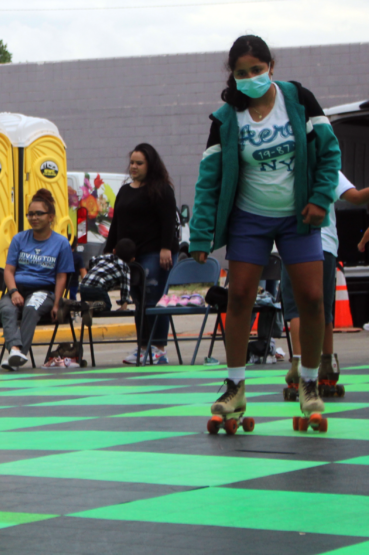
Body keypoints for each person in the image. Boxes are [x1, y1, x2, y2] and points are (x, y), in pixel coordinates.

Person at [190, 35, 340, 430]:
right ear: (233, 76)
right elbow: (209, 180)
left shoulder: (299, 99)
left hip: (298, 217)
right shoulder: (225, 118)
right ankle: (235, 386)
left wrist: (321, 199)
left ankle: (309, 382)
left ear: (272, 67)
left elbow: (329, 153)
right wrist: (201, 235)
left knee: (310, 298)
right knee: (238, 297)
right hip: (249, 219)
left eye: (257, 70)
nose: (251, 77)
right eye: (242, 73)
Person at [280, 172, 369, 395]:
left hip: (291, 246)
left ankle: (298, 369)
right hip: (324, 247)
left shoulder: (285, 168)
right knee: (323, 311)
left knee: (296, 311)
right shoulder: (327, 167)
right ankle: (328, 370)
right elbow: (356, 197)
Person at [105, 143, 179, 365]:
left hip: (155, 254)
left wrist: (166, 248)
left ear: (150, 164)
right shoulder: (125, 190)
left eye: (139, 163)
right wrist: (109, 251)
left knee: (154, 301)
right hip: (132, 258)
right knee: (139, 301)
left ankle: (158, 348)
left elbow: (168, 221)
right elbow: (116, 222)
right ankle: (143, 347)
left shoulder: (161, 189)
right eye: (132, 162)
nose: (134, 166)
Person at [0, 189, 75, 370]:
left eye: (39, 213)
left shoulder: (61, 243)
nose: (33, 217)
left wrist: (56, 303)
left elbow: (62, 276)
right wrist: (13, 292)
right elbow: (8, 271)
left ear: (51, 217)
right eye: (30, 214)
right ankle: (16, 351)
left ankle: (19, 353)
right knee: (6, 308)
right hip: (18, 289)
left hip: (44, 291)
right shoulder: (19, 239)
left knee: (31, 306)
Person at [80, 238, 136, 312]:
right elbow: (125, 288)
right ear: (132, 259)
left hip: (83, 286)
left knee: (83, 304)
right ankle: (90, 307)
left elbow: (92, 260)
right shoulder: (125, 267)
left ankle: (71, 305)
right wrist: (124, 306)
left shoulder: (107, 256)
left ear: (114, 251)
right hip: (98, 288)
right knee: (106, 306)